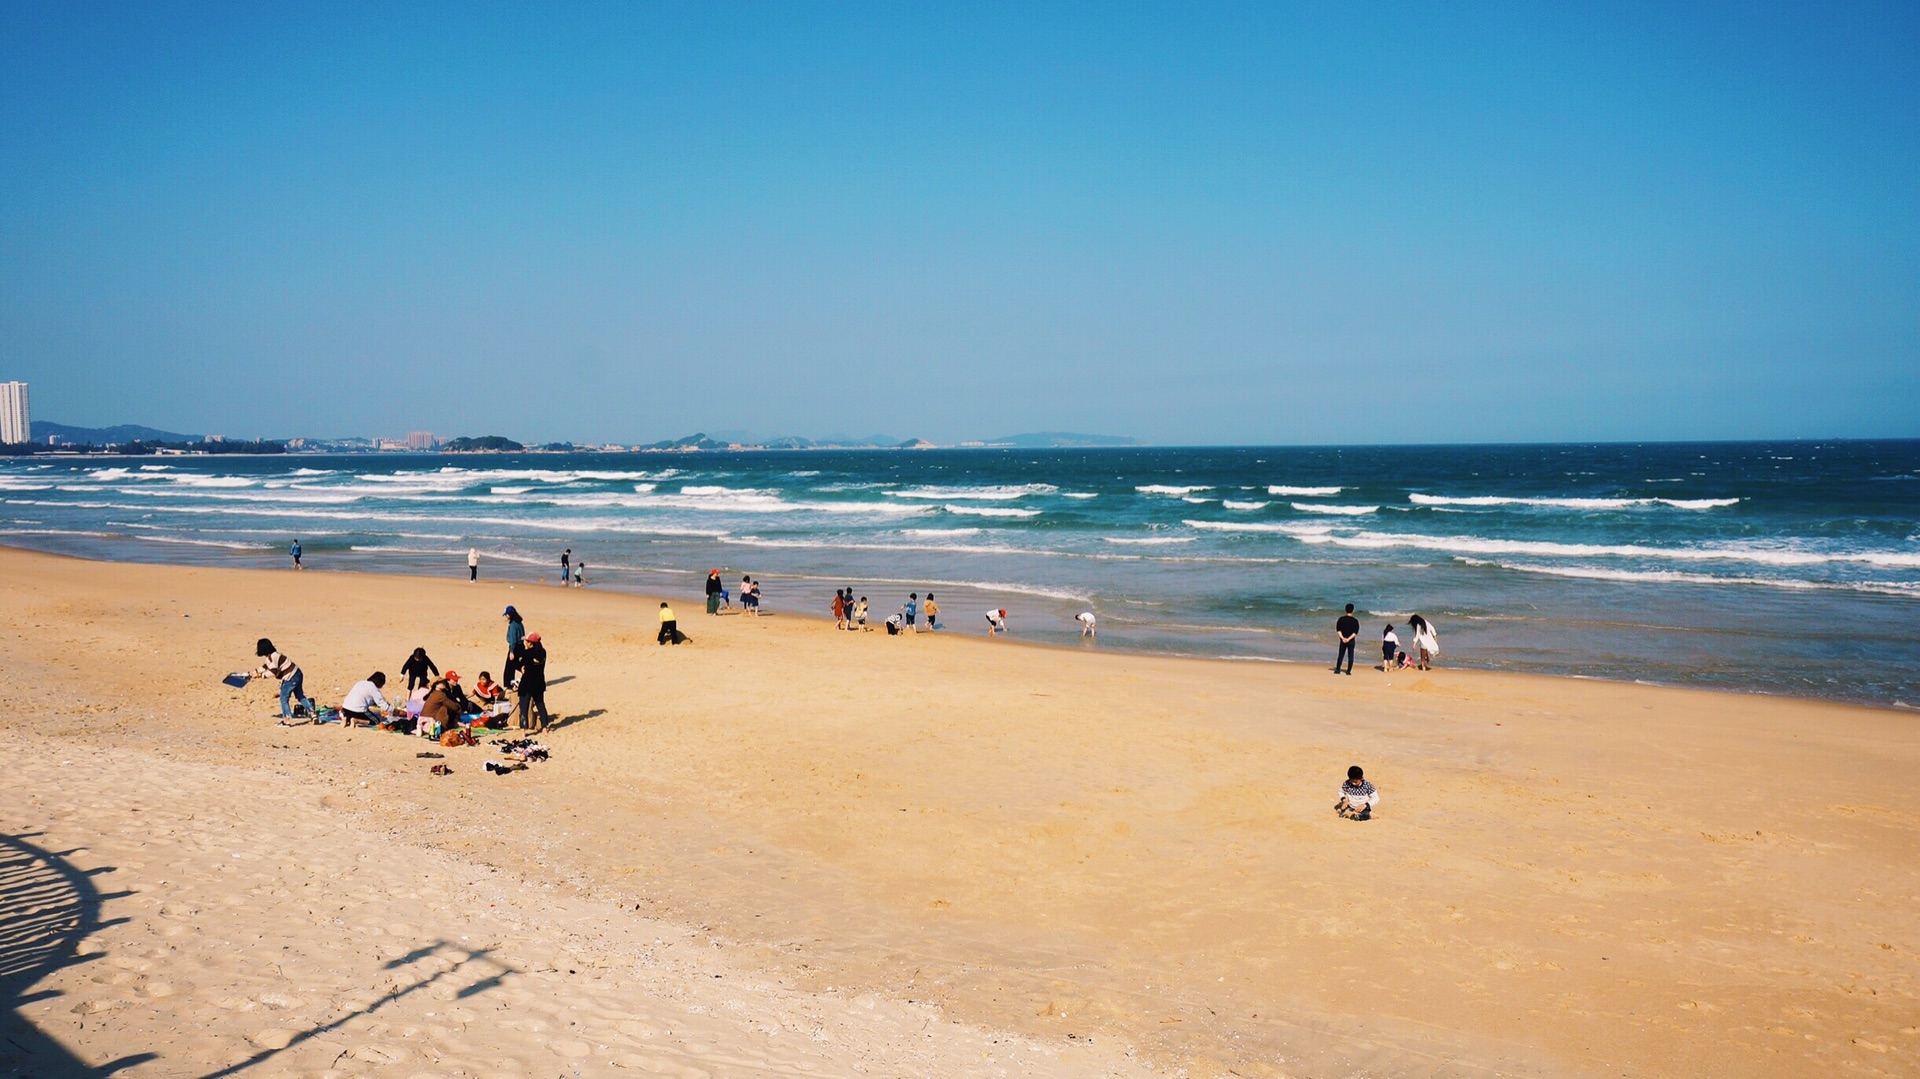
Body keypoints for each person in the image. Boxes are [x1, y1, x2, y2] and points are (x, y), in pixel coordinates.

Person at [253, 637, 315, 720]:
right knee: (300, 695)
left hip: (290, 677)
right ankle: (312, 713)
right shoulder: (274, 655)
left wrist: (261, 676)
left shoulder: (272, 657)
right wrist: (255, 672)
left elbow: (273, 672)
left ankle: (287, 720)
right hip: (298, 673)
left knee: (283, 698)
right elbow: (265, 666)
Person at [514, 634, 550, 732]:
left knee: (524, 707)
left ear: (530, 643)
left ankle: (523, 730)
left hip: (527, 683)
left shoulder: (526, 653)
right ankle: (545, 726)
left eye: (526, 641)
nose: (525, 642)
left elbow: (517, 664)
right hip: (539, 682)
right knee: (540, 704)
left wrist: (521, 668)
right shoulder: (542, 652)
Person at [419, 673, 472, 738]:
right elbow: (453, 706)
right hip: (430, 722)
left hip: (425, 719)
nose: (444, 683)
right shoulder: (440, 695)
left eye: (444, 681)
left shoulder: (435, 693)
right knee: (445, 708)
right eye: (441, 682)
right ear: (436, 685)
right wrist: (461, 712)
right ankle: (444, 728)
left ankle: (454, 722)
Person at [1333, 603, 1359, 675]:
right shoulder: (1355, 621)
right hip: (1351, 640)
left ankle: (1338, 669)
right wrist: (1348, 639)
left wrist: (1342, 638)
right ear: (1353, 610)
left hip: (1343, 640)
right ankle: (1348, 671)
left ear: (1345, 610)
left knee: (1341, 654)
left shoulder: (1341, 619)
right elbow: (1355, 632)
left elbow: (1338, 630)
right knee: (1350, 655)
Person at [502, 606, 525, 682]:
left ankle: (509, 684)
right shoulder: (520, 623)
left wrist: (512, 651)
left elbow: (513, 639)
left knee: (509, 668)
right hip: (521, 646)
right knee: (517, 664)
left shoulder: (513, 625)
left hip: (515, 647)